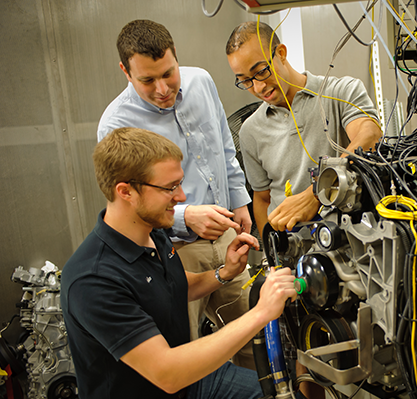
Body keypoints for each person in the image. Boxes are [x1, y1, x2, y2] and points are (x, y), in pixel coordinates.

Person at [61, 127, 297, 399]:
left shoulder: (152, 231)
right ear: (126, 191)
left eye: (180, 183)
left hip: (191, 383)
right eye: (169, 188)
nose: (182, 196)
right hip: (169, 381)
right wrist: (262, 313)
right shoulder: (93, 280)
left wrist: (224, 273)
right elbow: (168, 374)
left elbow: (174, 284)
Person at [98, 19, 254, 368]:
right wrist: (187, 215)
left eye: (169, 73)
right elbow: (129, 204)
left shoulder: (201, 81)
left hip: (227, 234)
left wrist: (239, 198)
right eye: (148, 80)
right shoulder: (115, 125)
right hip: (172, 250)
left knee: (249, 340)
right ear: (125, 71)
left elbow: (224, 146)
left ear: (176, 58)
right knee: (187, 356)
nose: (163, 88)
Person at [226, 22, 383, 237]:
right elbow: (262, 199)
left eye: (262, 71)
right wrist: (273, 254)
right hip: (294, 253)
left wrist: (318, 193)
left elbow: (370, 135)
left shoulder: (340, 92)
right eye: (245, 81)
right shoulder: (250, 130)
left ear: (281, 53)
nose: (258, 87)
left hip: (347, 243)